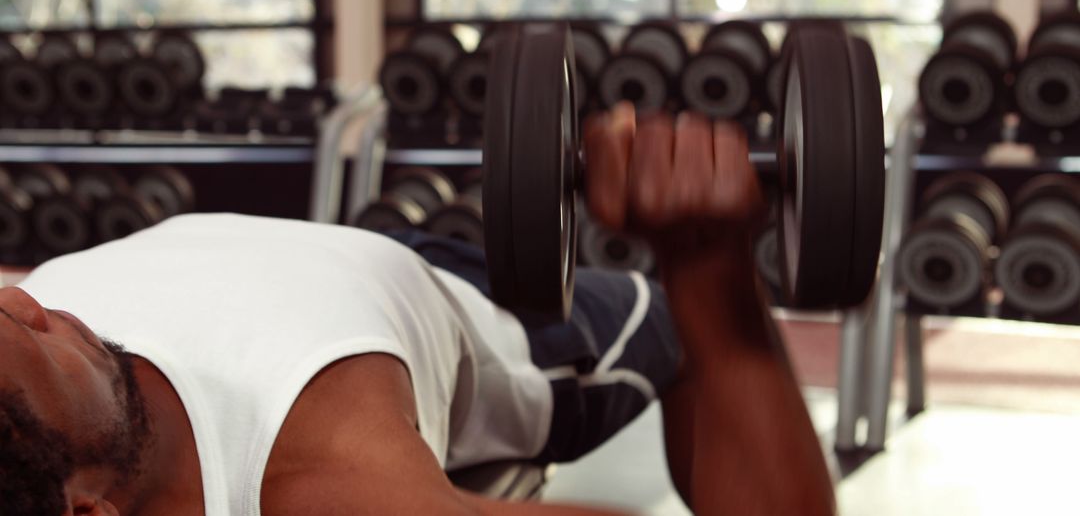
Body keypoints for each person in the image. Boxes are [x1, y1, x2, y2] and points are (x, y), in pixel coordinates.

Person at [0, 105, 834, 516]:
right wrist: (706, 255)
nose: (26, 301)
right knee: (670, 321)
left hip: (320, 262)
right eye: (29, 340)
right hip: (438, 296)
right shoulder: (332, 476)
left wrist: (706, 265)